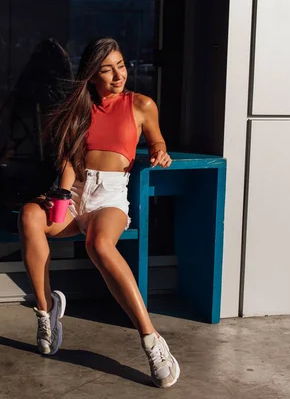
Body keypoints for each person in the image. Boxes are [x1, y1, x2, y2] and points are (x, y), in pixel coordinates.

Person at [18, 37, 180, 388]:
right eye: (106, 70)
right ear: (92, 75)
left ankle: (152, 340)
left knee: (99, 244)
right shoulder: (80, 110)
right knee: (30, 216)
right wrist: (61, 194)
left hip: (110, 197)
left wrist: (159, 153)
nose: (117, 75)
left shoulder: (141, 105)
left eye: (121, 66)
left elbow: (157, 141)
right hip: (75, 193)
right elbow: (69, 160)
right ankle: (46, 313)